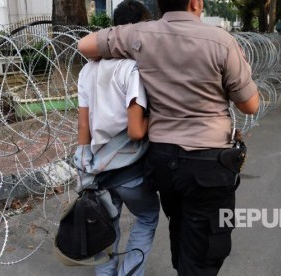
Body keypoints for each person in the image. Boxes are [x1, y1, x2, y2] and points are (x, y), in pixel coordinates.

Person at [78, 0, 260, 275]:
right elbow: (250, 105)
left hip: (163, 160)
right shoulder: (222, 41)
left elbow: (84, 45)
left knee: (180, 223)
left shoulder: (139, 34)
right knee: (207, 242)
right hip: (209, 161)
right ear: (195, 2)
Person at [74, 1, 159, 275]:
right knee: (146, 217)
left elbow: (84, 128)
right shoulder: (132, 69)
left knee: (106, 228)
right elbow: (135, 130)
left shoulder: (88, 69)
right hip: (129, 168)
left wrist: (85, 166)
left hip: (98, 167)